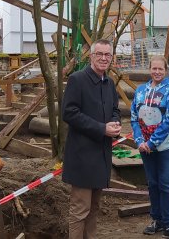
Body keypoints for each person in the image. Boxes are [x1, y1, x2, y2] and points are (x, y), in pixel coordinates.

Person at [62, 39, 122, 239]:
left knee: (94, 207)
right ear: (91, 56)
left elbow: (115, 109)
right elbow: (69, 113)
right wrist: (101, 128)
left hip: (101, 154)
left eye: (108, 55)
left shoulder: (109, 83)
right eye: (100, 54)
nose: (104, 58)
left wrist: (114, 123)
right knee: (80, 209)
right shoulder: (77, 80)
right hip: (82, 155)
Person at [130, 55, 169, 239]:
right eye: (154, 68)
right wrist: (139, 141)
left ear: (166, 70)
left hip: (168, 146)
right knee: (153, 184)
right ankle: (156, 220)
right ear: (149, 69)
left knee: (166, 184)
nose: (157, 72)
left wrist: (152, 143)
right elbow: (134, 117)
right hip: (145, 147)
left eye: (160, 69)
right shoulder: (140, 91)